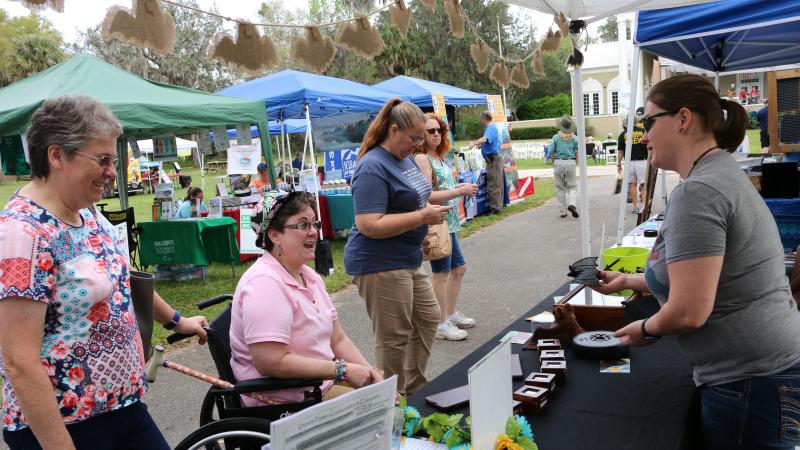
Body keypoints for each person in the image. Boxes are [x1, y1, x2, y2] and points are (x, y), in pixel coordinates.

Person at [594, 74, 800, 450]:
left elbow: (689, 310)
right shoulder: (718, 175)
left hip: (749, 383)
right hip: (765, 373)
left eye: (648, 122)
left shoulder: (700, 191)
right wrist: (631, 282)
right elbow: (707, 274)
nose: (644, 136)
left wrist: (646, 328)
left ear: (683, 119)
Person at [0, 96, 208, 450]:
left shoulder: (88, 213)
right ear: (56, 155)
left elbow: (122, 278)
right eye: (103, 159)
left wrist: (177, 321)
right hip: (68, 426)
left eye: (113, 159)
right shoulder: (23, 234)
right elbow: (20, 361)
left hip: (122, 407)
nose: (112, 171)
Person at [230, 190, 382, 405]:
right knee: (382, 411)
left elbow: (337, 339)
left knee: (388, 396)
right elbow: (271, 362)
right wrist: (342, 370)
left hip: (318, 386)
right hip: (285, 401)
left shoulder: (308, 276)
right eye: (302, 225)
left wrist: (371, 374)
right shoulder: (264, 284)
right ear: (274, 235)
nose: (313, 232)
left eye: (314, 224)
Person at [343, 98, 450, 394]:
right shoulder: (372, 166)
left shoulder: (403, 159)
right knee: (394, 337)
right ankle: (392, 403)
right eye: (414, 138)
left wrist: (421, 222)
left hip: (407, 257)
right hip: (379, 263)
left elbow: (412, 200)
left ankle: (413, 389)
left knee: (428, 319)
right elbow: (369, 224)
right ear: (393, 130)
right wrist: (420, 217)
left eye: (421, 138)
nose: (418, 144)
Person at [414, 113, 479, 341]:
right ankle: (439, 323)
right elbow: (426, 195)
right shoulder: (423, 158)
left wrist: (458, 186)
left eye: (439, 130)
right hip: (438, 222)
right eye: (430, 131)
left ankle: (449, 314)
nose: (436, 134)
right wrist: (459, 191)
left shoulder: (439, 157)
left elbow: (442, 187)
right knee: (441, 274)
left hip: (449, 222)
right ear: (420, 135)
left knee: (458, 269)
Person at [468, 112, 503, 215]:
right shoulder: (492, 128)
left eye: (481, 118)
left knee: (493, 184)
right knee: (496, 183)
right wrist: (480, 146)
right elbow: (488, 142)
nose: (480, 121)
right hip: (493, 159)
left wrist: (474, 143)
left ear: (484, 118)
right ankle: (497, 207)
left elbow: (485, 139)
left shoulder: (490, 128)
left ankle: (495, 209)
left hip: (493, 160)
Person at [618, 107, 648, 215]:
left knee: (632, 185)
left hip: (629, 162)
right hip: (642, 161)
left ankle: (635, 207)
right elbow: (648, 146)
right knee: (644, 185)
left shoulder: (623, 135)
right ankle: (644, 206)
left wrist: (618, 164)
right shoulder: (643, 131)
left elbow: (620, 151)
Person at [550, 115, 579, 218]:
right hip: (570, 163)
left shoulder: (555, 138)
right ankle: (572, 204)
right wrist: (576, 163)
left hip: (558, 162)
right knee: (572, 186)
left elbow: (551, 152)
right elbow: (577, 153)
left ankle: (563, 211)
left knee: (560, 188)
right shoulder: (575, 138)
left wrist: (554, 163)